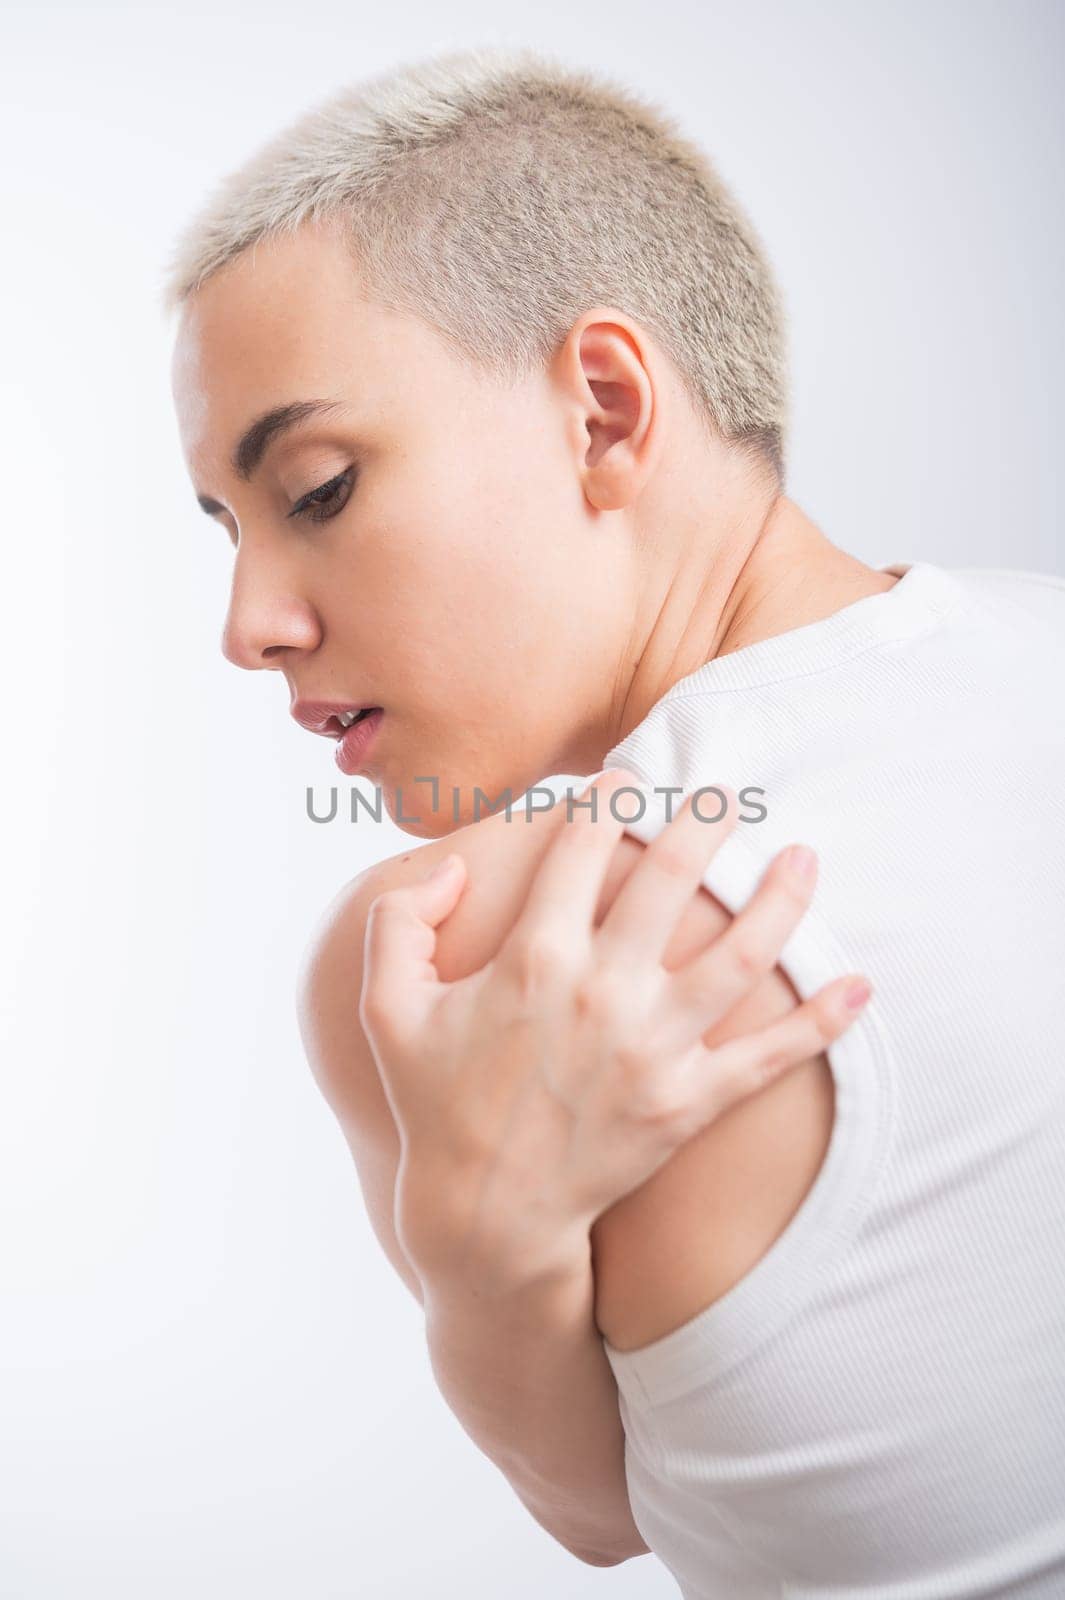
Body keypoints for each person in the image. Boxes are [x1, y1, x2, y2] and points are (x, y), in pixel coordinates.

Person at [164, 46, 1065, 1596]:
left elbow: (600, 1514)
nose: (248, 624)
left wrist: (481, 1258)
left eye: (314, 488)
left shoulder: (461, 950)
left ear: (602, 408)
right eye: (228, 529)